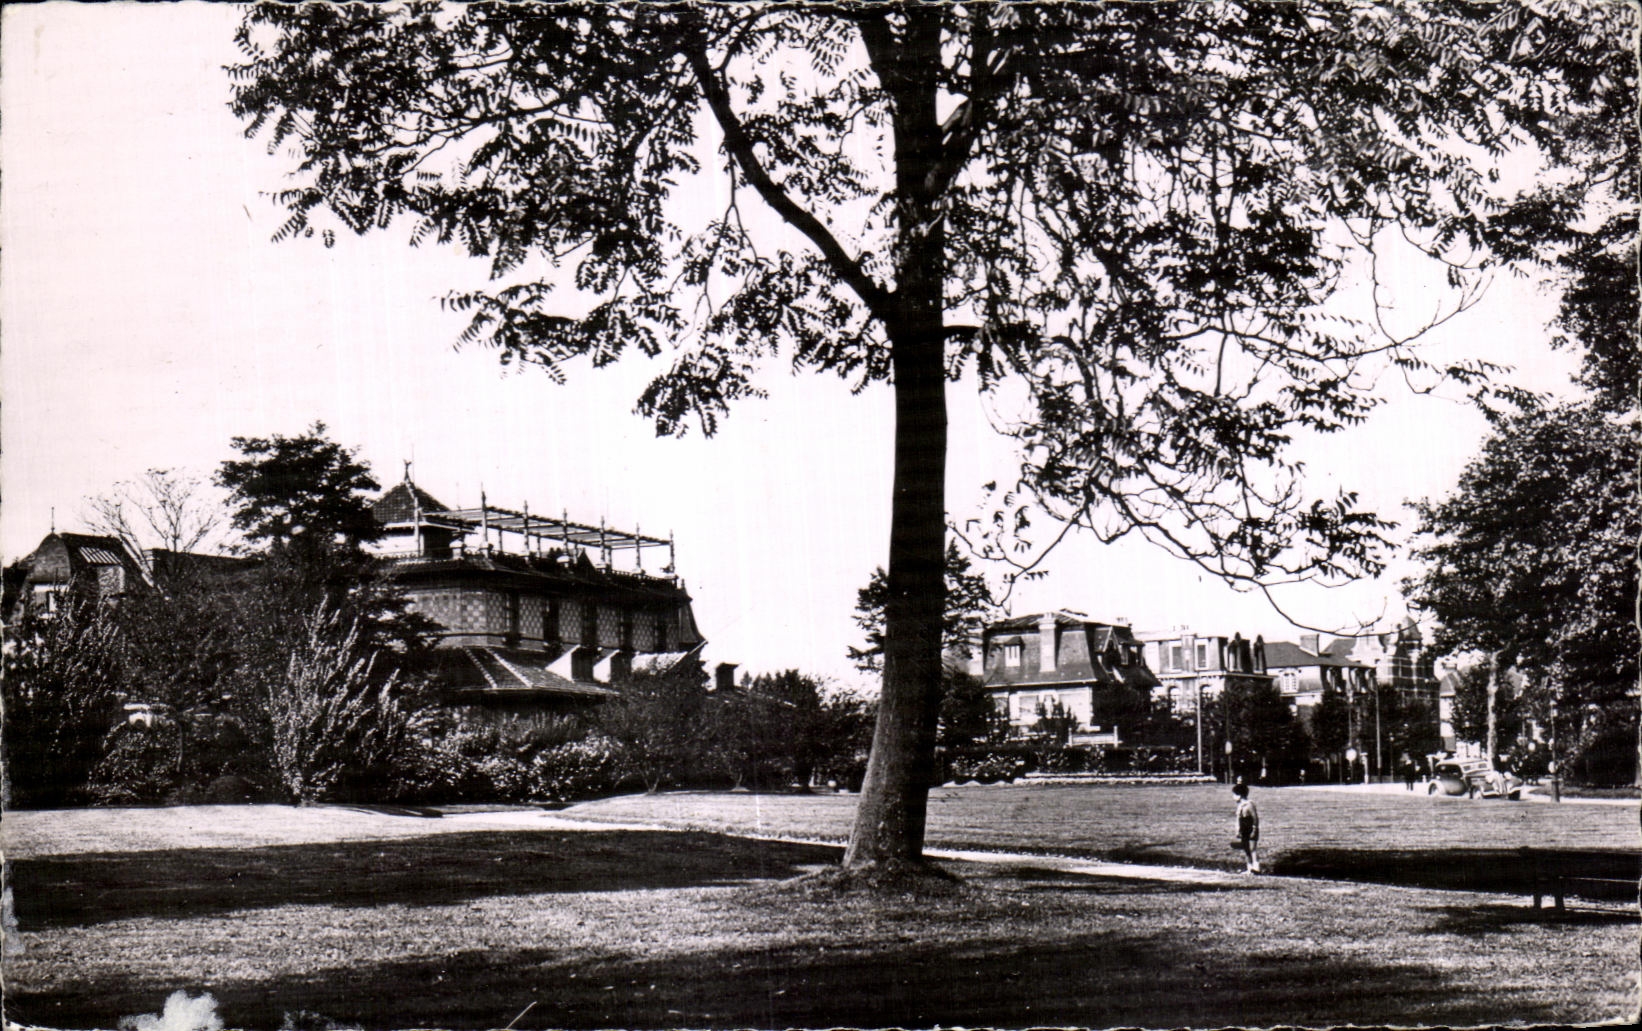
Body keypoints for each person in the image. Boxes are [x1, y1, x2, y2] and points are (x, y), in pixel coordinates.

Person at [1233, 780, 1261, 874]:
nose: (1233, 797)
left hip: (1250, 827)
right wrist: (1237, 830)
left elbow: (1255, 817)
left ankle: (1256, 868)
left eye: (1235, 795)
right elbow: (1238, 818)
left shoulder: (1249, 805)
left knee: (1252, 848)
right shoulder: (1239, 806)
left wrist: (1254, 829)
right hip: (1243, 828)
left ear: (1240, 795)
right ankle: (1249, 868)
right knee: (1246, 849)